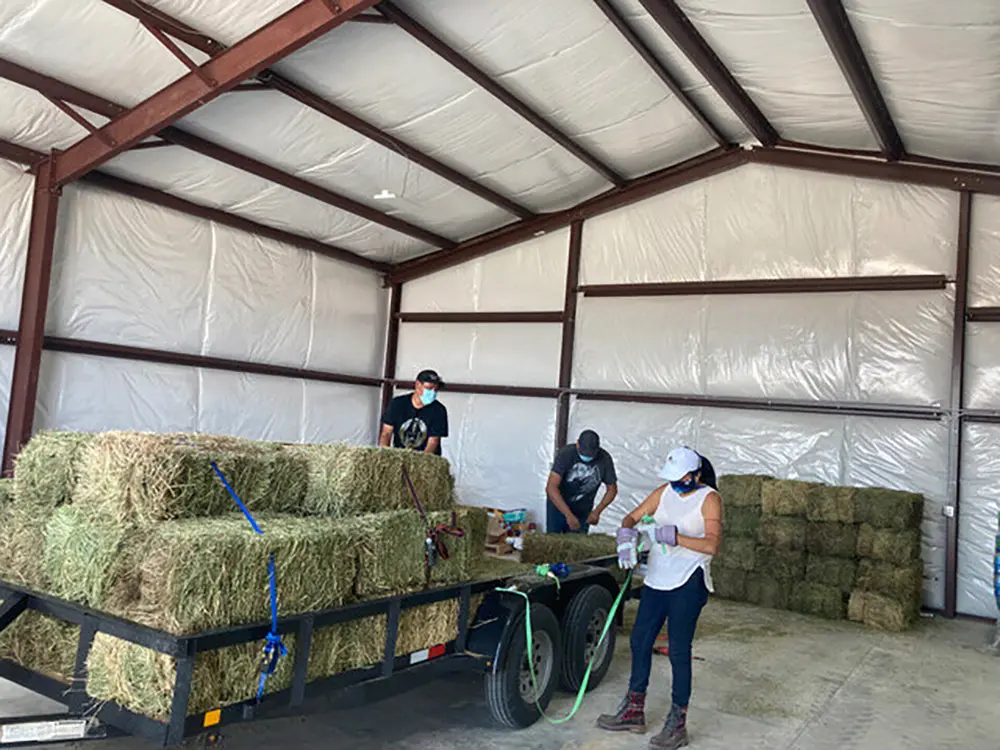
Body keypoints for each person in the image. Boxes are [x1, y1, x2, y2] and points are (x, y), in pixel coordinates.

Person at [597, 446, 722, 749]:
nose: (676, 485)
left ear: (695, 475)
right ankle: (633, 709)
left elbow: (711, 546)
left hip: (688, 580)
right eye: (673, 480)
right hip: (657, 577)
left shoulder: (709, 499)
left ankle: (677, 722)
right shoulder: (664, 492)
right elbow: (632, 516)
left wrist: (675, 537)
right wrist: (626, 536)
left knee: (679, 650)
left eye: (681, 480)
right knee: (640, 640)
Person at [545, 429, 618, 534]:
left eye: (591, 455)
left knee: (576, 542)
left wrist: (597, 512)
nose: (587, 457)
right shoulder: (565, 454)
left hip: (583, 509)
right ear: (577, 444)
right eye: (584, 453)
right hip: (558, 505)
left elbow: (612, 489)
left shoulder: (604, 459)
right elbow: (551, 488)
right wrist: (568, 515)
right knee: (553, 540)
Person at [378, 369, 448, 455]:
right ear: (417, 385)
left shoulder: (439, 410)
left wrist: (422, 462)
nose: (433, 392)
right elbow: (386, 433)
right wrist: (384, 455)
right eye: (429, 388)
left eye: (435, 389)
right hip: (401, 456)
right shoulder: (397, 404)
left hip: (425, 459)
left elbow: (433, 441)